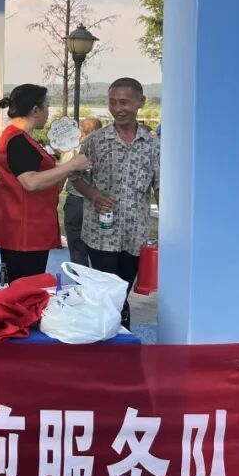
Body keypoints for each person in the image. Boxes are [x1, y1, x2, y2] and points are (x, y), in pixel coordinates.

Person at [71, 78, 160, 328]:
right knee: (107, 292)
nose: (118, 109)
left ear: (140, 102)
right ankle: (112, 335)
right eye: (112, 102)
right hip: (101, 233)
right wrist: (93, 194)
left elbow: (160, 187)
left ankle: (118, 331)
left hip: (135, 234)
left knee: (123, 289)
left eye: (124, 102)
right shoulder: (95, 141)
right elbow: (75, 177)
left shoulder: (153, 146)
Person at [0, 85, 90, 281]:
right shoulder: (18, 141)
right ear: (35, 110)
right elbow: (30, 182)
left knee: (19, 284)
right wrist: (71, 165)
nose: (48, 113)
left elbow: (42, 179)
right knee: (26, 287)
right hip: (23, 232)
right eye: (47, 107)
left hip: (17, 227)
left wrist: (66, 167)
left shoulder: (16, 137)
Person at [60, 117, 102, 267]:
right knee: (100, 249)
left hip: (75, 203)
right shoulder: (106, 151)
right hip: (99, 204)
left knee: (77, 248)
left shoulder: (71, 151)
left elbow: (61, 177)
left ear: (81, 132)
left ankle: (80, 277)